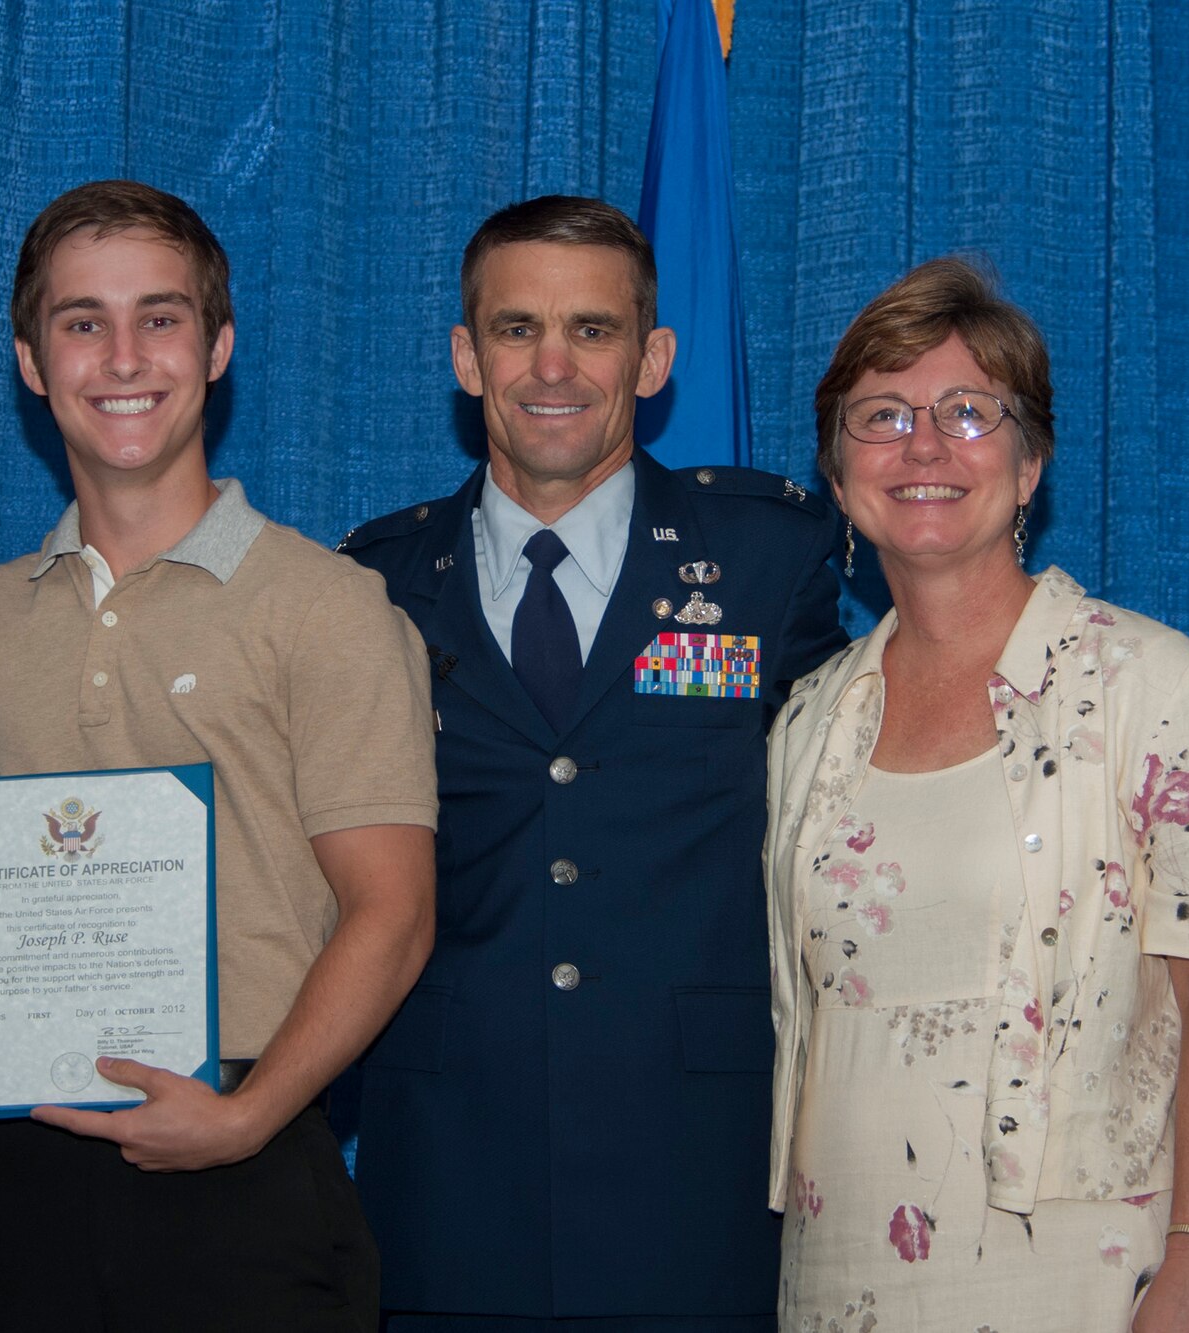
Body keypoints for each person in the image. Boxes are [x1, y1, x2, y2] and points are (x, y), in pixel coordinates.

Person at [0, 179, 438, 1333]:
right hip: (20, 1175)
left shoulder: (328, 606)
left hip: (245, 1167)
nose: (122, 356)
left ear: (216, 348)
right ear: (29, 359)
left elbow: (391, 911)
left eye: (158, 318)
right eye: (80, 322)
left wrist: (250, 1114)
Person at [338, 195, 846, 1330]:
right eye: (515, 329)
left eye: (593, 330)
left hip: (699, 1171)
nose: (550, 365)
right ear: (466, 358)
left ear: (652, 357)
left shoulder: (766, 557)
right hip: (448, 1175)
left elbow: (853, 809)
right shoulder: (369, 585)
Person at [764, 257, 1189, 1330]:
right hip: (838, 1266)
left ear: (1029, 462)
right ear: (836, 472)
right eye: (881, 415)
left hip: (1083, 1274)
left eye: (967, 411)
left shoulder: (1154, 685)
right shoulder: (805, 720)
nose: (924, 446)